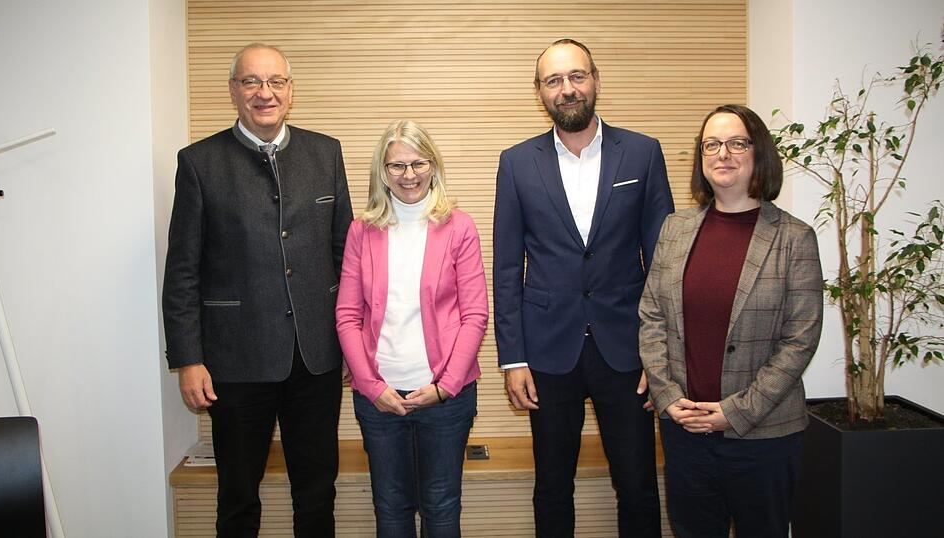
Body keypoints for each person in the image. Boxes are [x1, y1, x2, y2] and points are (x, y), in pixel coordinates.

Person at [162, 43, 353, 538]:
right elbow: (183, 269)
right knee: (238, 497)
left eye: (275, 82)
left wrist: (354, 342)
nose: (264, 93)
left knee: (316, 493)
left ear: (290, 91)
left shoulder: (325, 152)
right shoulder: (199, 163)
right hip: (235, 361)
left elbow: (347, 259)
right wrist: (188, 359)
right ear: (233, 91)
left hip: (317, 358)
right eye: (251, 82)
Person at [493, 38, 674, 537]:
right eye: (554, 80)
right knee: (552, 485)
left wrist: (660, 359)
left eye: (577, 76)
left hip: (628, 352)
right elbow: (508, 267)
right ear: (540, 92)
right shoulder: (516, 162)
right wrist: (513, 359)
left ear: (595, 80)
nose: (567, 89)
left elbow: (664, 263)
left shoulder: (642, 153)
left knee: (637, 484)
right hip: (547, 353)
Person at [638, 104, 824, 538]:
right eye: (711, 145)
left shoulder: (793, 238)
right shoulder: (675, 228)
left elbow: (800, 340)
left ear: (758, 153)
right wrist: (667, 396)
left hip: (764, 437)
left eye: (737, 143)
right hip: (686, 433)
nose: (723, 153)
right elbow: (651, 315)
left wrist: (735, 412)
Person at [336, 120, 488, 537]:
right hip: (379, 399)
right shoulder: (361, 231)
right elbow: (347, 315)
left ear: (433, 166)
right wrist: (371, 386)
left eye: (418, 163)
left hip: (444, 400)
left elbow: (475, 313)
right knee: (391, 509)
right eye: (396, 166)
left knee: (441, 508)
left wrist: (445, 386)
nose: (409, 175)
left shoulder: (459, 227)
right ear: (381, 172)